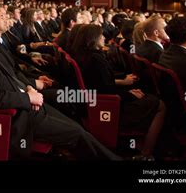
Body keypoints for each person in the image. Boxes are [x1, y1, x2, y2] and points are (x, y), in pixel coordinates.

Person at [0, 15, 121, 160]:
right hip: (20, 116)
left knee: (77, 128)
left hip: (29, 106)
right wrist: (28, 97)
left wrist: (28, 88)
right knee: (78, 134)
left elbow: (12, 77)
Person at [71, 24, 166, 159]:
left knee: (148, 98)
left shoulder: (84, 55)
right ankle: (146, 153)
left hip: (96, 103)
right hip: (108, 108)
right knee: (160, 105)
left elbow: (103, 84)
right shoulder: (95, 59)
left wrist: (128, 90)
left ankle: (139, 145)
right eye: (101, 35)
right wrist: (130, 94)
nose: (104, 38)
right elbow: (106, 90)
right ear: (93, 39)